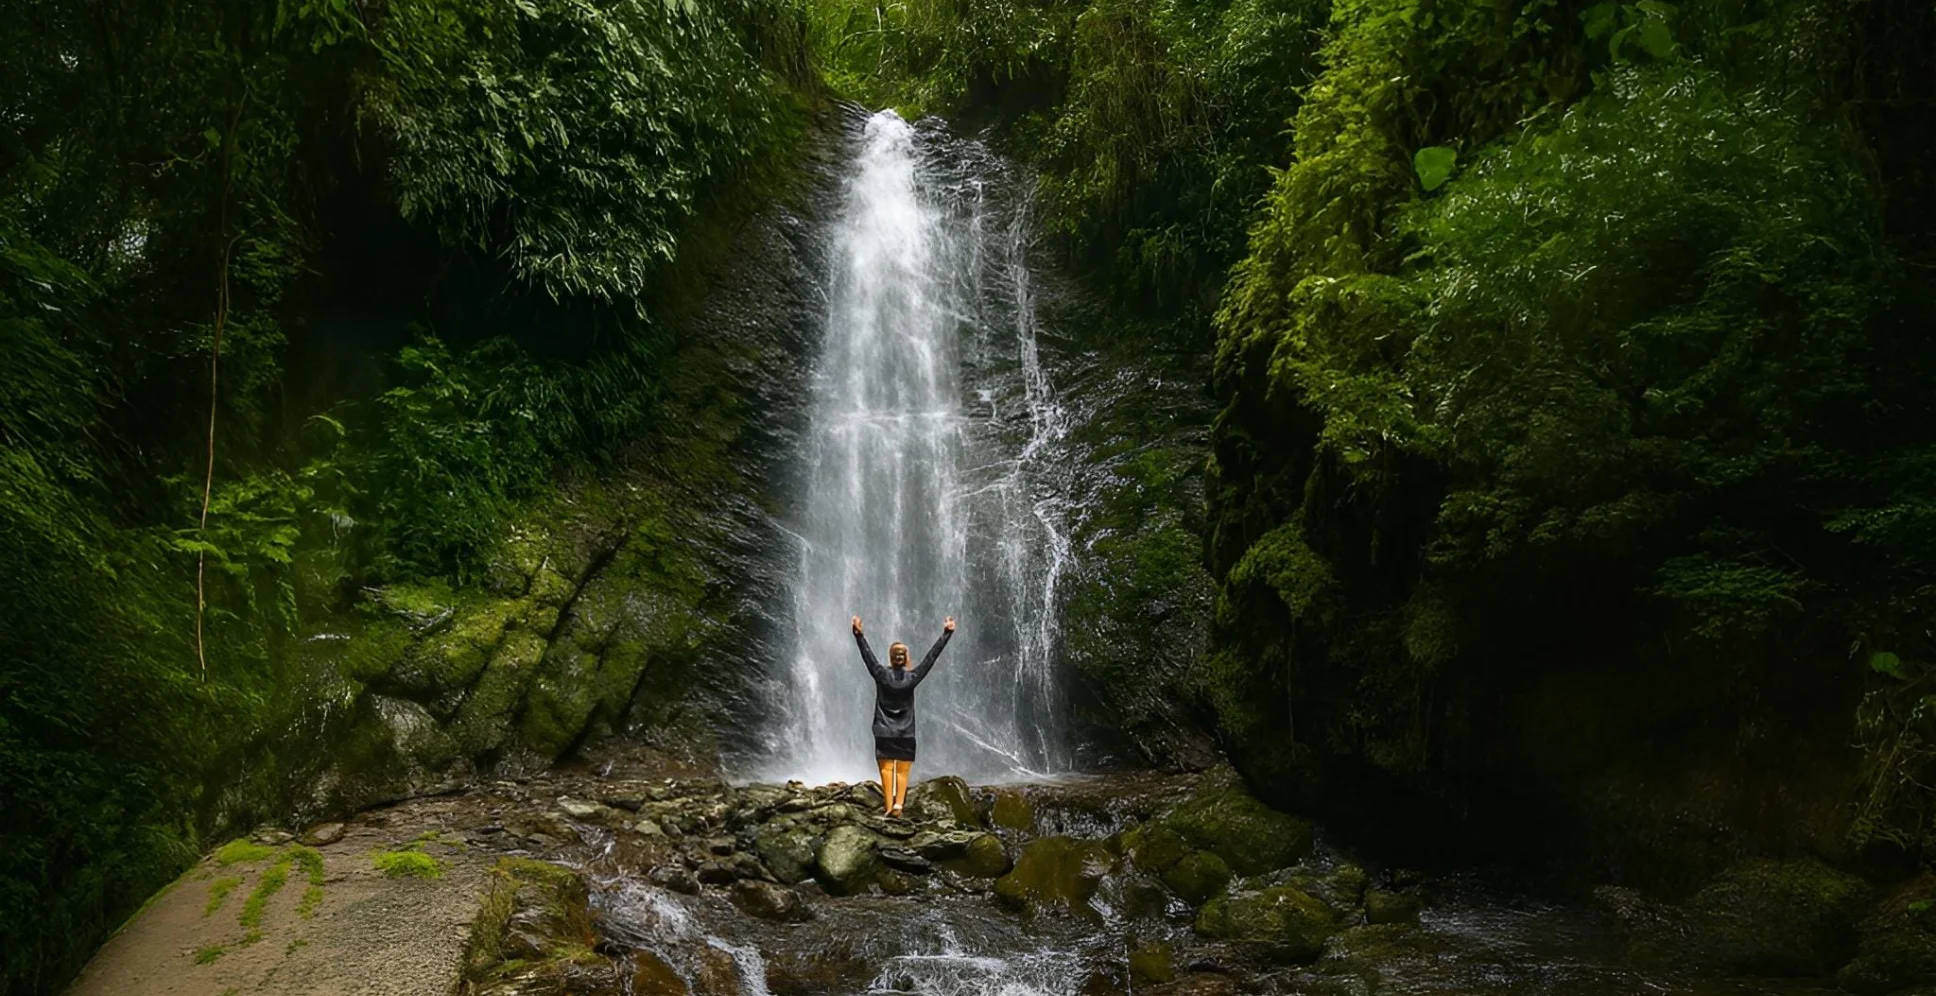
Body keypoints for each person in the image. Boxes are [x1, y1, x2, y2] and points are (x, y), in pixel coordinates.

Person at [851, 613, 954, 817]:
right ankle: (899, 805)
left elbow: (868, 657)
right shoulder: (913, 677)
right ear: (905, 658)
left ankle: (888, 807)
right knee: (902, 772)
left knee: (887, 771)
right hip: (906, 732)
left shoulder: (880, 674)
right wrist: (946, 634)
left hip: (883, 730)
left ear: (891, 657)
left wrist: (859, 635)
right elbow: (930, 659)